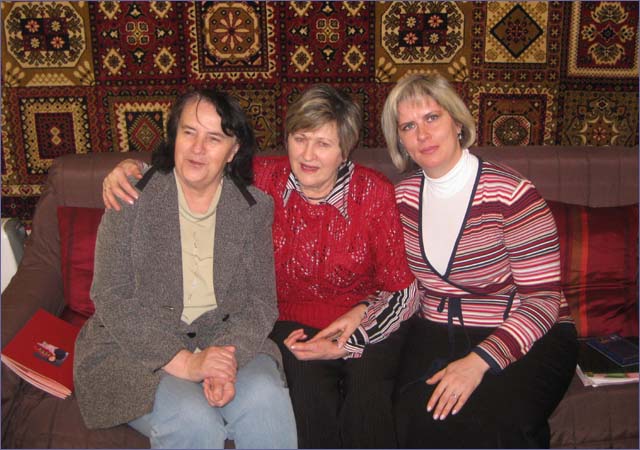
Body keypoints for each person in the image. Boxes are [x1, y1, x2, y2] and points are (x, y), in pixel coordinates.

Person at [101, 85, 417, 448]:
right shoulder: (265, 180)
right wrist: (132, 170)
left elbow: (401, 288)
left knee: (366, 403)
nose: (308, 155)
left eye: (323, 144)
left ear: (345, 150)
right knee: (308, 403)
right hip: (291, 323)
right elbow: (194, 168)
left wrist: (358, 328)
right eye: (300, 139)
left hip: (362, 316)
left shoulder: (372, 192)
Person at [74, 89, 297, 449]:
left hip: (223, 340)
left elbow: (260, 304)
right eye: (189, 132)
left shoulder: (255, 208)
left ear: (233, 150)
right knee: (194, 420)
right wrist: (186, 364)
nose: (197, 148)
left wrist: (225, 360)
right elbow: (110, 295)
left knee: (265, 399)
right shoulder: (130, 194)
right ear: (174, 136)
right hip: (136, 346)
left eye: (214, 138)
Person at [374, 73, 578, 448]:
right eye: (408, 126)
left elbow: (543, 300)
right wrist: (354, 325)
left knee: (492, 423)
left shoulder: (511, 194)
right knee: (410, 419)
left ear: (457, 121)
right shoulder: (400, 200)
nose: (422, 134)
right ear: (400, 140)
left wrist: (480, 360)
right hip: (436, 329)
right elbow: (394, 286)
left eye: (432, 118)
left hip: (525, 329)